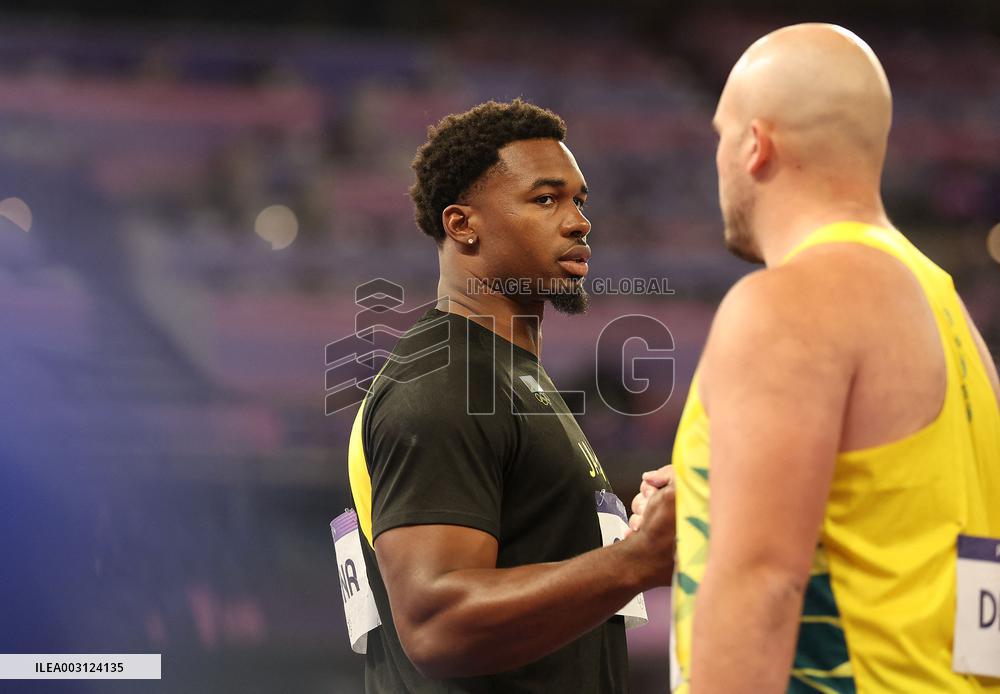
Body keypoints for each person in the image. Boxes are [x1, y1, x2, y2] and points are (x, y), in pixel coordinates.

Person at [628, 23, 1000, 694]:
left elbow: (762, 587)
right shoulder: (947, 309)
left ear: (754, 145)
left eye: (720, 135)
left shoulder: (790, 304)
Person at [345, 99, 676, 693]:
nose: (578, 222)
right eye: (546, 199)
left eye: (579, 200)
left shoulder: (507, 376)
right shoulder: (443, 381)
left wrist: (635, 536)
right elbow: (436, 624)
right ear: (462, 224)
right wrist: (641, 560)